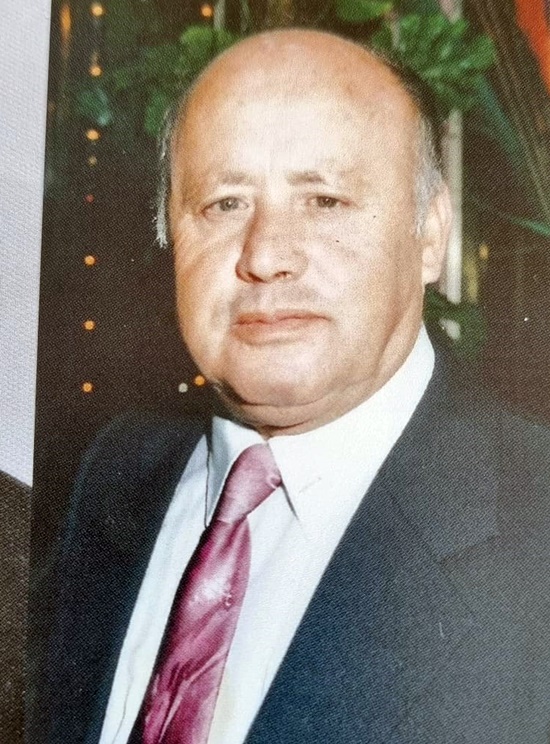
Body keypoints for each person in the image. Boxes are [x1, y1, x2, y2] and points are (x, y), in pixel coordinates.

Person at [31, 28, 550, 744]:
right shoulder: (109, 478)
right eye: (224, 203)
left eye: (325, 200)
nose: (266, 254)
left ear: (430, 235)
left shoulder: (533, 529)